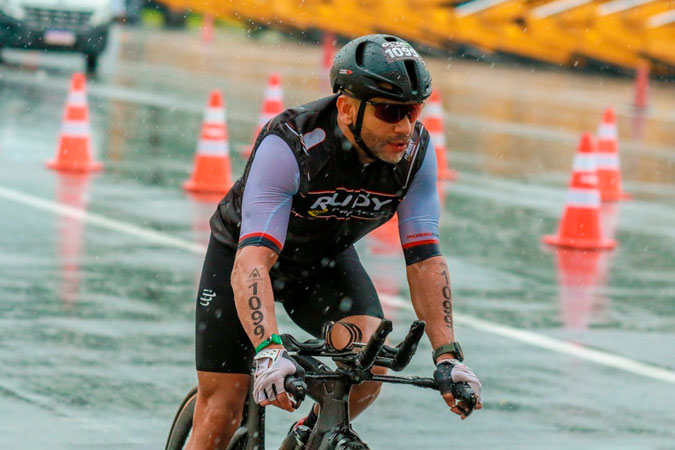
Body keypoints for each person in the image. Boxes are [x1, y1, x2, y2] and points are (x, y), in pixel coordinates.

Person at [186, 34, 483, 450]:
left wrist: (448, 355)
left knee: (371, 364)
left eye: (413, 111)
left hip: (323, 263)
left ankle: (306, 436)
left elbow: (424, 259)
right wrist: (269, 349)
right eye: (390, 111)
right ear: (346, 108)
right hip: (246, 260)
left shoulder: (415, 153)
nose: (404, 126)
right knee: (221, 410)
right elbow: (253, 260)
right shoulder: (291, 144)